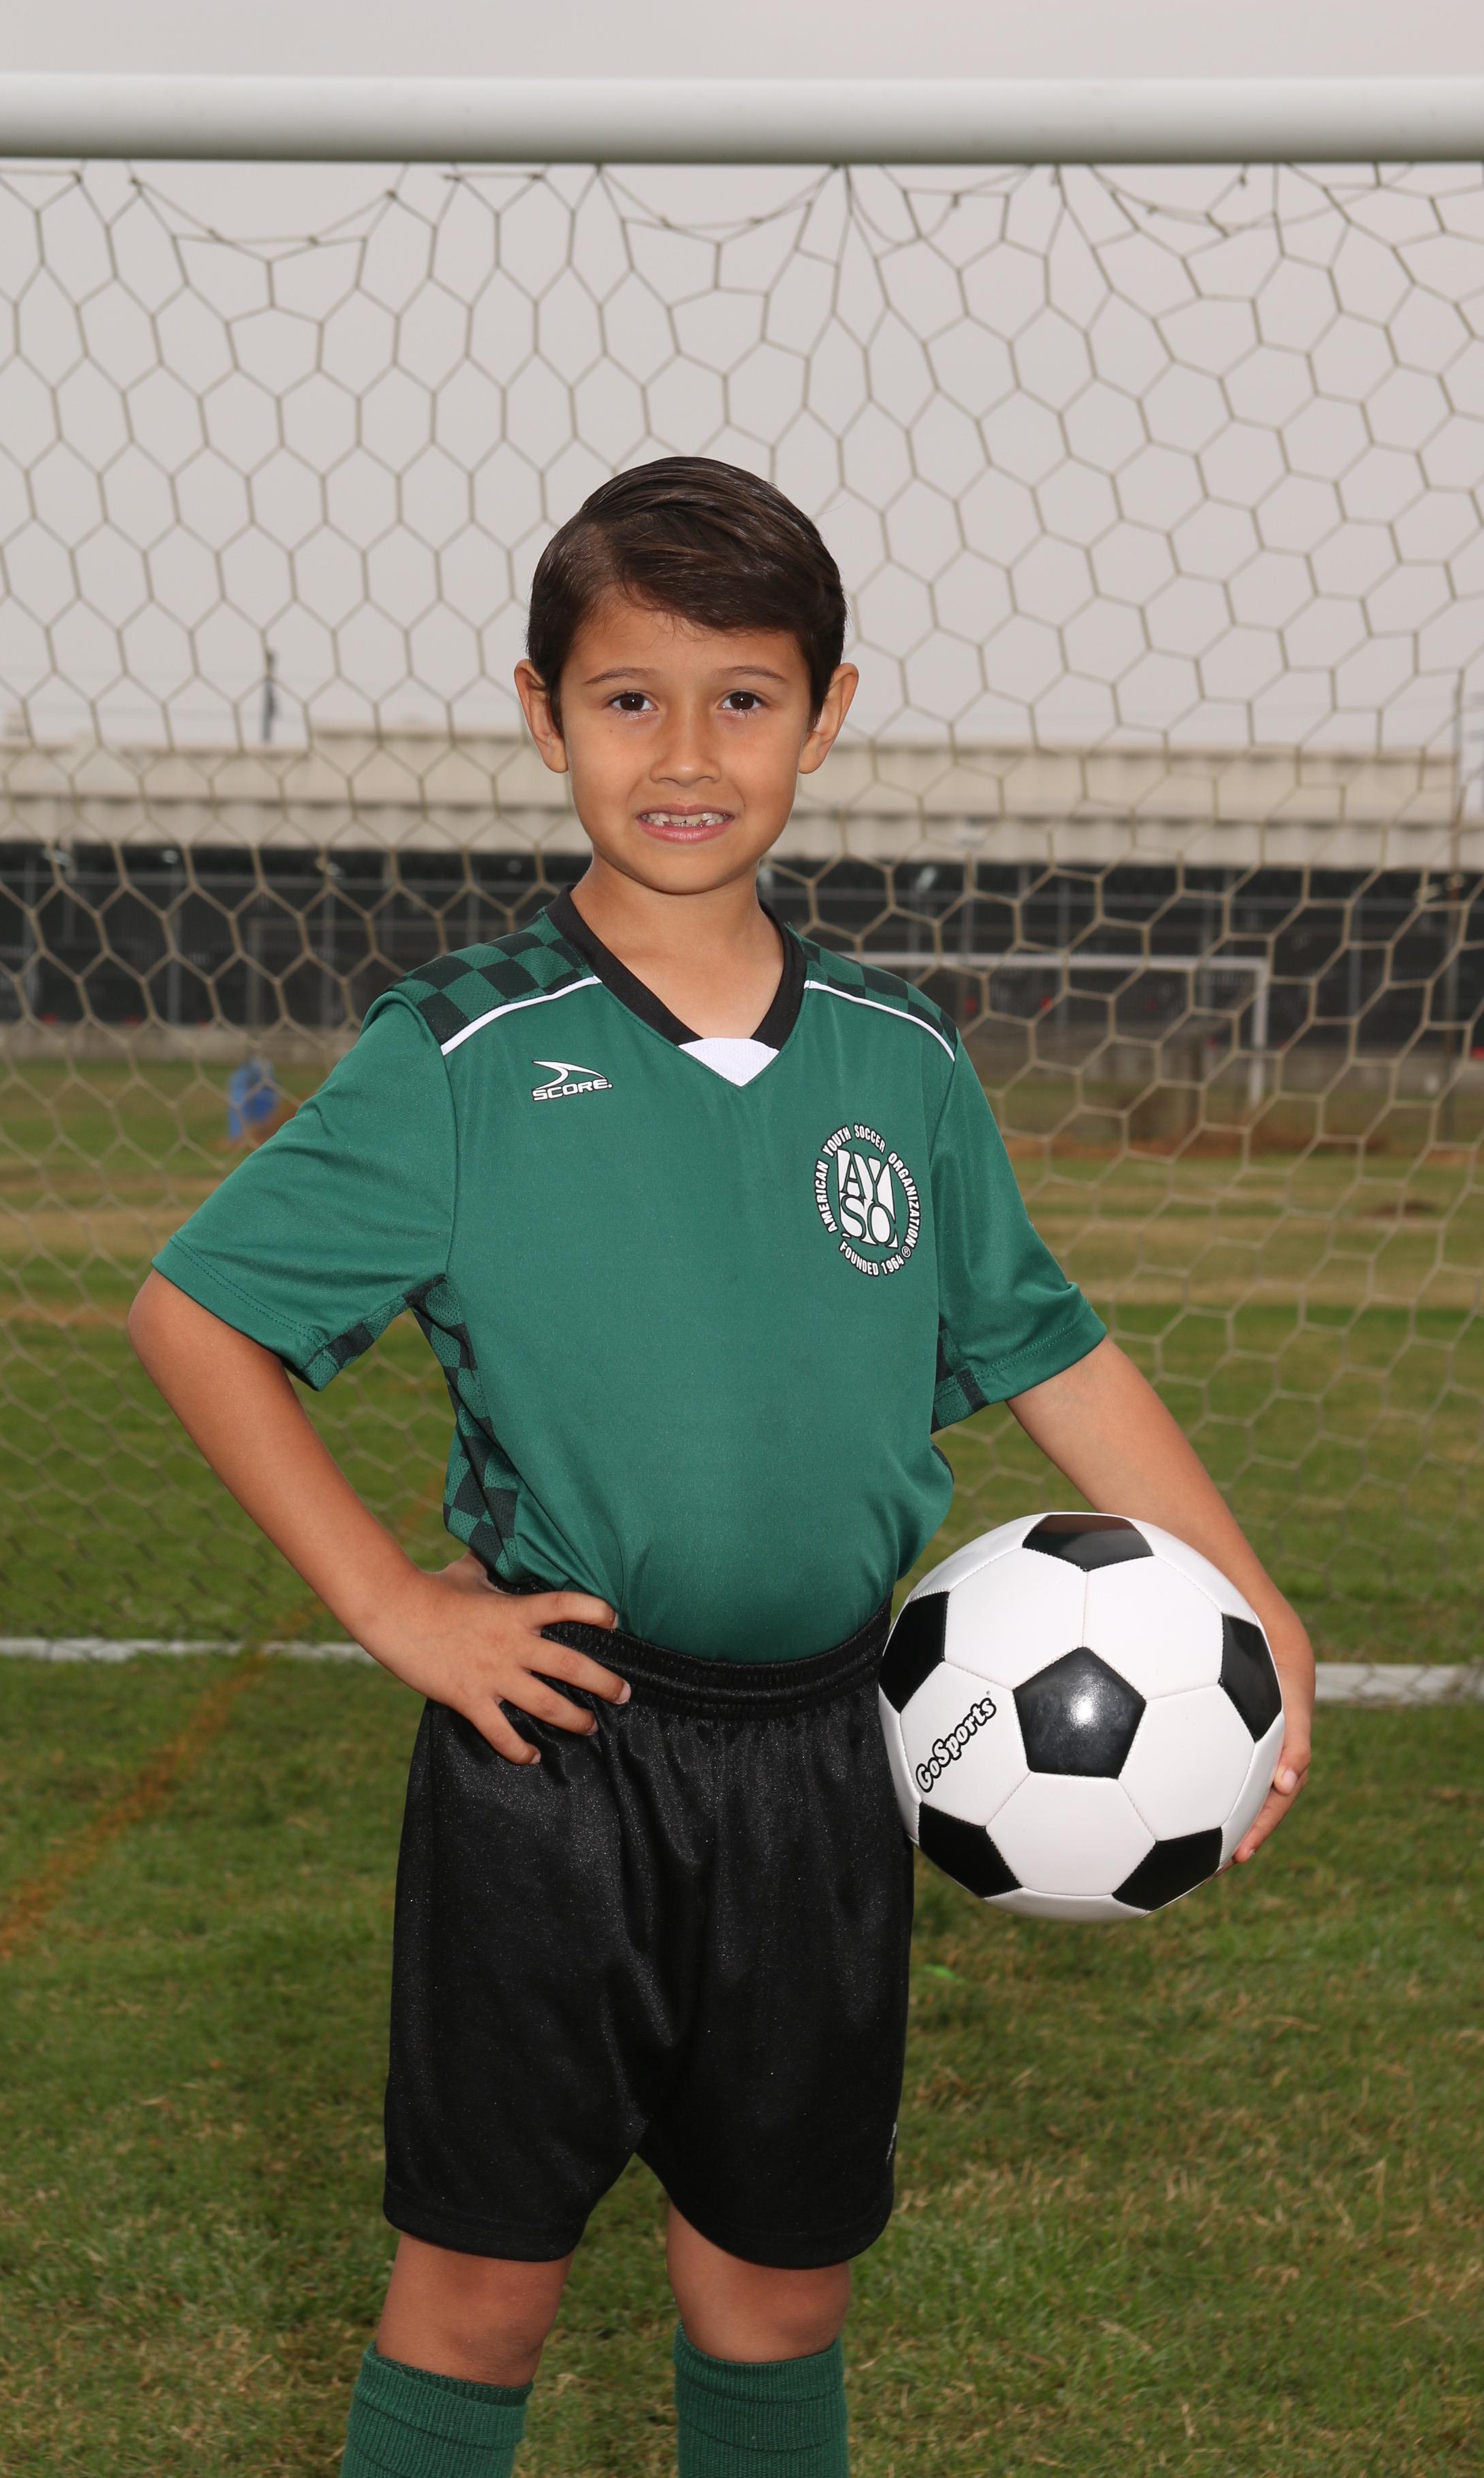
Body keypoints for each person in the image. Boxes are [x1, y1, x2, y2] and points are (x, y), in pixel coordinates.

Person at [128, 459, 1315, 2478]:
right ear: (543, 714)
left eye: (743, 698)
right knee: (481, 2290)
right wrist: (393, 1604)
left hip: (834, 1758)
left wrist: (1251, 1599)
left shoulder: (898, 1060)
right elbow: (197, 1314)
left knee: (774, 2289)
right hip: (556, 1754)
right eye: (630, 698)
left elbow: (1049, 1348)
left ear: (825, 715)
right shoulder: (462, 1050)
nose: (686, 754)